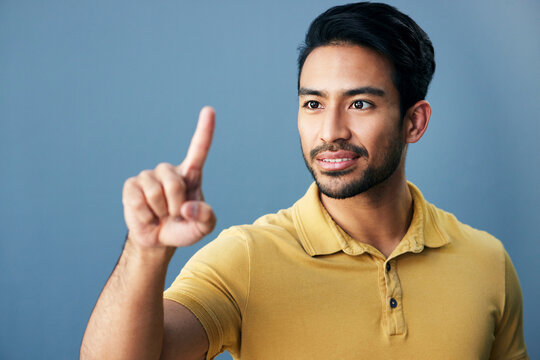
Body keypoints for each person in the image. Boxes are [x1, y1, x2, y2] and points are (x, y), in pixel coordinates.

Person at [81, 2, 528, 359]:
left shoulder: (487, 262)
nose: (330, 130)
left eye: (360, 104)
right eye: (313, 104)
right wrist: (144, 251)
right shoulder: (248, 259)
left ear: (414, 122)